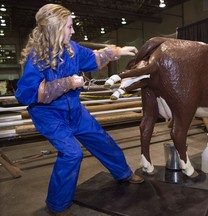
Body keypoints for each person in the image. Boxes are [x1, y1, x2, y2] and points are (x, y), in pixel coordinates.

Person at [15, 3, 143, 216]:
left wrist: (118, 51)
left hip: (74, 109)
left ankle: (123, 173)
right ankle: (57, 205)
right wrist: (67, 83)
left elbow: (93, 58)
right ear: (55, 29)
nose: (73, 30)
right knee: (72, 153)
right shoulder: (37, 58)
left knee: (100, 138)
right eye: (69, 26)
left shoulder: (72, 50)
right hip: (49, 115)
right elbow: (25, 95)